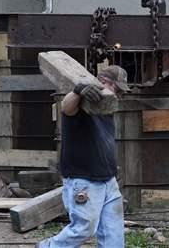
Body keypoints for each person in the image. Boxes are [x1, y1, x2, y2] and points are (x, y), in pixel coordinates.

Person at [39, 65, 130, 248]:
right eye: (117, 89)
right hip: (84, 181)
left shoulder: (104, 108)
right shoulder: (80, 104)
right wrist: (78, 91)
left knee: (113, 234)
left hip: (108, 181)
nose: (119, 95)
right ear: (104, 83)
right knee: (83, 229)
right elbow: (66, 107)